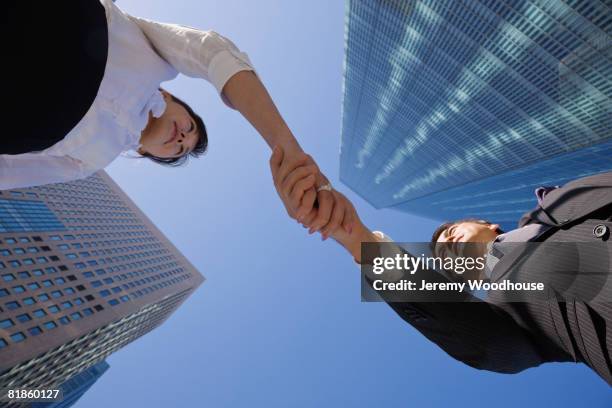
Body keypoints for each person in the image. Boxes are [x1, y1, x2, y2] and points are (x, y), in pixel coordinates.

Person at [0, 0, 352, 237]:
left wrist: (361, 244)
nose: (182, 140)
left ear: (148, 154)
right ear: (171, 98)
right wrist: (287, 149)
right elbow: (210, 51)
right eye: (191, 128)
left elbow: (9, 170)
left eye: (179, 151)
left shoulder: (89, 162)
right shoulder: (154, 60)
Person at [270, 148, 612, 385]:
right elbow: (484, 343)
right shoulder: (513, 314)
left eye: (449, 232)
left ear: (487, 223)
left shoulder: (564, 196)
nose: (446, 244)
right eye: (444, 260)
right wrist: (357, 238)